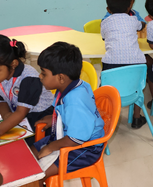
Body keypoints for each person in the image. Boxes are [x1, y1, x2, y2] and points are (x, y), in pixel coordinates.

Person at [31, 42, 105, 178]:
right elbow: (67, 112)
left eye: (43, 73)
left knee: (37, 176)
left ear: (61, 78)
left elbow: (76, 139)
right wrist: (55, 118)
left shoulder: (74, 100)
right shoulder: (69, 87)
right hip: (66, 134)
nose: (40, 76)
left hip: (85, 147)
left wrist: (51, 147)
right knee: (29, 154)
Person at [101, 0, 147, 128]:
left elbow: (104, 37)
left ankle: (107, 118)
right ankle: (137, 117)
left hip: (111, 65)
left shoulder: (105, 22)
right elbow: (141, 25)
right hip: (137, 65)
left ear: (108, 9)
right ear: (129, 7)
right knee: (138, 87)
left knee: (105, 87)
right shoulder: (133, 19)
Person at [0, 36, 54, 136]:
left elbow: (21, 113)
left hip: (41, 117)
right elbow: (2, 100)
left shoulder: (29, 79)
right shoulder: (2, 76)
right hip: (19, 114)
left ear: (13, 63)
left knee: (23, 142)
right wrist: (6, 114)